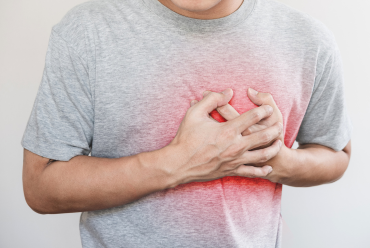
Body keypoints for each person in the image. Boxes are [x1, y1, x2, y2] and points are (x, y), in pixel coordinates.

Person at [21, 0, 352, 247]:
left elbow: (336, 155)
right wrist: (177, 164)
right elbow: (40, 189)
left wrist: (276, 161)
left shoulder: (309, 40)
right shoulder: (86, 32)